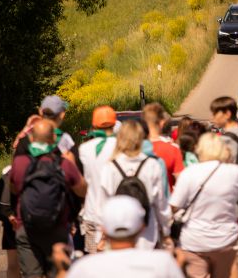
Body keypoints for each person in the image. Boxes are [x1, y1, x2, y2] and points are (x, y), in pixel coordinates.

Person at [10, 119, 87, 277]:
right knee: (58, 272)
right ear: (53, 139)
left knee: (32, 274)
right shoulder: (64, 164)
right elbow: (82, 191)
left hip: (26, 226)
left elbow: (14, 188)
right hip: (57, 227)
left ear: (31, 138)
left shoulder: (19, 163)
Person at [169, 133, 238, 278]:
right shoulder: (235, 172)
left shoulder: (190, 172)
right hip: (225, 238)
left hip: (194, 239)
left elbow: (174, 205)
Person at [57, 196, 183, 278]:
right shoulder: (162, 262)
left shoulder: (85, 266)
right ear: (142, 227)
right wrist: (179, 264)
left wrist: (62, 269)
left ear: (103, 230)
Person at [99, 120, 171, 249]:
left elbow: (103, 204)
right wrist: (166, 231)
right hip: (147, 233)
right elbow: (160, 203)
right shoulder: (151, 165)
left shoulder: (110, 167)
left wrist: (101, 237)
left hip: (117, 234)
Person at [78, 105, 118, 255]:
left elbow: (81, 182)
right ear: (114, 124)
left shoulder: (84, 149)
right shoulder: (122, 147)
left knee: (95, 266)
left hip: (92, 214)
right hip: (116, 216)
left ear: (94, 125)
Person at [143, 103, 184, 191]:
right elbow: (181, 183)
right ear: (162, 123)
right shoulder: (173, 149)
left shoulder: (134, 148)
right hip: (165, 200)